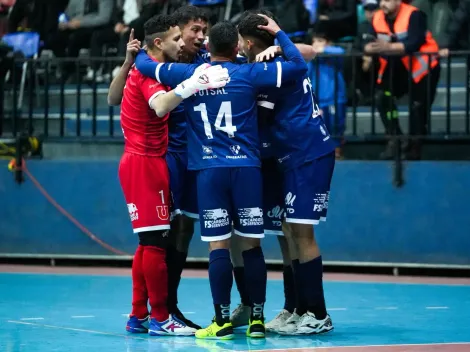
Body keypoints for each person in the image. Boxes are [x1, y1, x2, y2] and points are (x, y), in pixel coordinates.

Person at [134, 15, 308, 339]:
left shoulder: (191, 73)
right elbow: (299, 66)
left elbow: (148, 67)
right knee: (252, 247)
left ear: (210, 47)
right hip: (247, 171)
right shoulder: (251, 74)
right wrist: (280, 33)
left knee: (219, 248)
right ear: (238, 46)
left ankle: (222, 321)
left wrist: (137, 51)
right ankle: (257, 319)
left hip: (209, 171)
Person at [116, 14, 228, 336]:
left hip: (147, 162)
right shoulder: (146, 73)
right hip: (144, 163)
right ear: (157, 43)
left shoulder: (148, 68)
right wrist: (194, 83)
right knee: (154, 244)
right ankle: (161, 317)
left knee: (147, 243)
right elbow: (162, 106)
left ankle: (138, 315)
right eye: (176, 39)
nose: (181, 44)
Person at [236, 12, 337, 335]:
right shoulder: (270, 62)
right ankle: (295, 308)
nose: (237, 46)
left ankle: (318, 314)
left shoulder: (271, 69)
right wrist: (280, 43)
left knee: (301, 233)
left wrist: (279, 42)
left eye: (240, 40)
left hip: (307, 155)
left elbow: (309, 53)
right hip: (287, 158)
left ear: (249, 42)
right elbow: (303, 52)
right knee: (286, 233)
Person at [365, 0, 440, 160]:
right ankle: (395, 137)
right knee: (382, 98)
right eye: (381, 0)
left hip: (423, 68)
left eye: (388, 0)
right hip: (395, 67)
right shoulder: (377, 17)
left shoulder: (414, 14)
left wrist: (388, 47)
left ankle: (415, 145)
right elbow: (365, 40)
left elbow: (415, 42)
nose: (383, 4)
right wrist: (368, 48)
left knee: (418, 108)